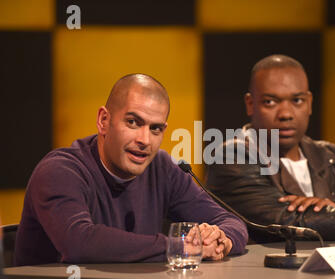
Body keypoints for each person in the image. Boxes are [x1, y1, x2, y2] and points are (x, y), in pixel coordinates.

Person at [14, 74, 248, 266]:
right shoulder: (60, 171)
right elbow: (79, 243)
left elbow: (230, 221)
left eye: (155, 129)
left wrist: (221, 240)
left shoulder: (163, 168)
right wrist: (181, 247)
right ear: (104, 120)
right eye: (133, 122)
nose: (144, 140)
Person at [206, 54, 335, 243]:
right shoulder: (232, 156)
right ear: (250, 104)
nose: (286, 113)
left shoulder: (333, 156)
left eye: (297, 100)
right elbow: (288, 220)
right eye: (270, 102)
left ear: (309, 103)